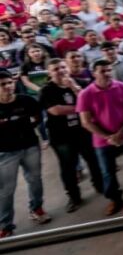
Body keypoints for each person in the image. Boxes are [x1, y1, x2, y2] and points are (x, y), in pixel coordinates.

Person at [77, 59, 123, 215]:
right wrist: (109, 137)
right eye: (102, 71)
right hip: (102, 140)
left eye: (109, 70)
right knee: (107, 171)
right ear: (94, 73)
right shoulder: (85, 94)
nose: (107, 73)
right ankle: (115, 199)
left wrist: (120, 133)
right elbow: (86, 122)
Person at [40, 58, 103, 212]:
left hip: (83, 131)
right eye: (55, 69)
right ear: (49, 72)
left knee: (93, 160)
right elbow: (56, 110)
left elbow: (92, 102)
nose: (60, 71)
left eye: (62, 67)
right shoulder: (46, 90)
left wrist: (74, 88)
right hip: (61, 135)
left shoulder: (80, 83)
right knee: (68, 166)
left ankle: (101, 186)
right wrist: (82, 108)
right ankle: (74, 197)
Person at [0, 70, 50, 237]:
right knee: (7, 189)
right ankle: (5, 225)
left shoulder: (26, 100)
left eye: (9, 83)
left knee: (35, 179)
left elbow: (38, 117)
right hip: (6, 153)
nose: (8, 86)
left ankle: (37, 208)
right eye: (2, 84)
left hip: (30, 147)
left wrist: (31, 127)